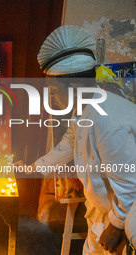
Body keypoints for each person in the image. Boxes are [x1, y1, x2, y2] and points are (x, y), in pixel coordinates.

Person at [17, 25, 136, 255]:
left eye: (53, 91)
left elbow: (130, 183)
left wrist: (116, 225)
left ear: (72, 88)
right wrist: (34, 168)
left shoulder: (108, 122)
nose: (52, 97)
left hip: (120, 221)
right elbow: (68, 145)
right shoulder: (84, 108)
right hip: (100, 214)